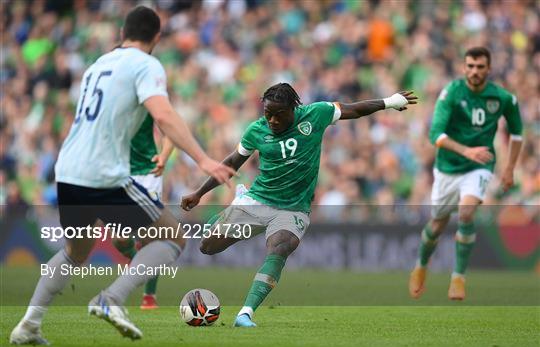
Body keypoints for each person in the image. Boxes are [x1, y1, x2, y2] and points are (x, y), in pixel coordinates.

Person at [10, 6, 234, 345]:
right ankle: (111, 299)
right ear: (157, 38)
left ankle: (29, 324)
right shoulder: (146, 65)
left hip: (68, 169)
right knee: (173, 237)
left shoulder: (97, 65)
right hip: (103, 173)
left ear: (121, 34)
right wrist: (202, 159)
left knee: (76, 250)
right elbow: (163, 114)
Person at [181, 83, 417, 327]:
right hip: (257, 201)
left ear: (293, 108)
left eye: (279, 114)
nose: (272, 120)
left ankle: (245, 313)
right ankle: (226, 214)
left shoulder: (316, 114)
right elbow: (232, 162)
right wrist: (199, 193)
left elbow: (354, 110)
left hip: (293, 208)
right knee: (207, 246)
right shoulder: (256, 131)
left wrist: (390, 101)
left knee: (280, 247)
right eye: (267, 113)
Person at [408, 47, 523, 301]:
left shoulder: (502, 98)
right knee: (437, 224)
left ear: (488, 69)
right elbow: (435, 134)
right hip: (448, 167)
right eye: (470, 66)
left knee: (467, 211)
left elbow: (517, 134)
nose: (474, 71)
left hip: (479, 166)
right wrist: (466, 151)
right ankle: (421, 265)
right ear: (464, 67)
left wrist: (510, 168)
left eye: (480, 67)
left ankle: (458, 277)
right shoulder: (451, 93)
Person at [112, 113, 174, 310]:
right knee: (119, 239)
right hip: (121, 176)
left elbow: (170, 132)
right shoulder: (111, 102)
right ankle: (135, 259)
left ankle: (149, 295)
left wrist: (163, 156)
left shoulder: (149, 102)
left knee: (151, 238)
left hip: (148, 175)